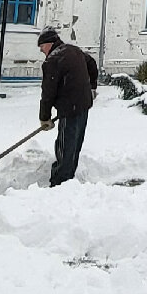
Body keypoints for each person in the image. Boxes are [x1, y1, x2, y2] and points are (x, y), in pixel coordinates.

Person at [36, 28, 98, 186]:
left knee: (66, 144)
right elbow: (92, 63)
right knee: (76, 141)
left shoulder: (53, 61)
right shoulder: (74, 50)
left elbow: (48, 93)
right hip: (83, 104)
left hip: (70, 107)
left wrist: (44, 117)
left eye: (41, 47)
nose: (41, 51)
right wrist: (92, 87)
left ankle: (60, 181)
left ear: (49, 44)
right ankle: (68, 177)